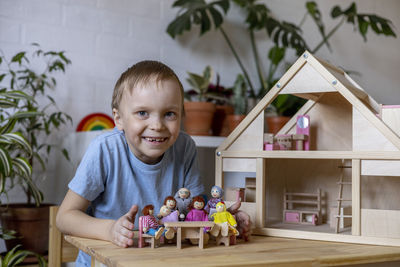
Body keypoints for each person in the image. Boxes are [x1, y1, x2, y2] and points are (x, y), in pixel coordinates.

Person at [56, 60, 204, 266]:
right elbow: (64, 217)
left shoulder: (185, 147)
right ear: (119, 119)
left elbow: (197, 211)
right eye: (143, 113)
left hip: (161, 260)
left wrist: (229, 216)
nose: (157, 125)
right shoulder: (105, 150)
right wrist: (109, 230)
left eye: (169, 114)